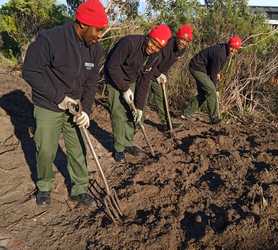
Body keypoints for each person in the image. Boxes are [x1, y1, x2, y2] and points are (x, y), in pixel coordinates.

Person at [22, 0, 108, 206]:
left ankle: (79, 188)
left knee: (78, 147)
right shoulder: (51, 40)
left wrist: (86, 110)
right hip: (48, 104)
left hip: (76, 105)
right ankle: (44, 186)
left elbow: (91, 82)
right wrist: (59, 97)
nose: (100, 35)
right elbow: (30, 71)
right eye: (98, 30)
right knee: (46, 149)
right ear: (83, 25)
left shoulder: (95, 49)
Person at [104, 24, 172, 162]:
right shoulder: (129, 43)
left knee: (133, 114)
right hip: (114, 77)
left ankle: (127, 142)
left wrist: (139, 106)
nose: (153, 48)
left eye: (158, 47)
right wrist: (124, 89)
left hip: (132, 79)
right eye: (153, 42)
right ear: (148, 36)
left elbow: (145, 80)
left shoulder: (155, 56)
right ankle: (119, 148)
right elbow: (112, 66)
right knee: (118, 113)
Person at [182, 35, 242, 124]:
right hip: (196, 67)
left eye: (236, 49)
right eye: (232, 47)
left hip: (202, 69)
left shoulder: (224, 51)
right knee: (211, 90)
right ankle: (214, 118)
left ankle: (186, 114)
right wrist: (215, 88)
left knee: (203, 94)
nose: (234, 50)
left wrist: (217, 72)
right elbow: (213, 74)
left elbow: (214, 67)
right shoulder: (221, 54)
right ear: (229, 45)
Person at [148, 24, 193, 132]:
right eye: (182, 39)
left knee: (161, 96)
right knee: (141, 96)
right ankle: (133, 120)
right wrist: (157, 74)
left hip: (157, 73)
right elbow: (150, 61)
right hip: (147, 70)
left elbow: (168, 63)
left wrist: (163, 74)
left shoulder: (182, 49)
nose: (184, 43)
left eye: (187, 41)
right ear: (177, 37)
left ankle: (166, 123)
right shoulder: (166, 44)